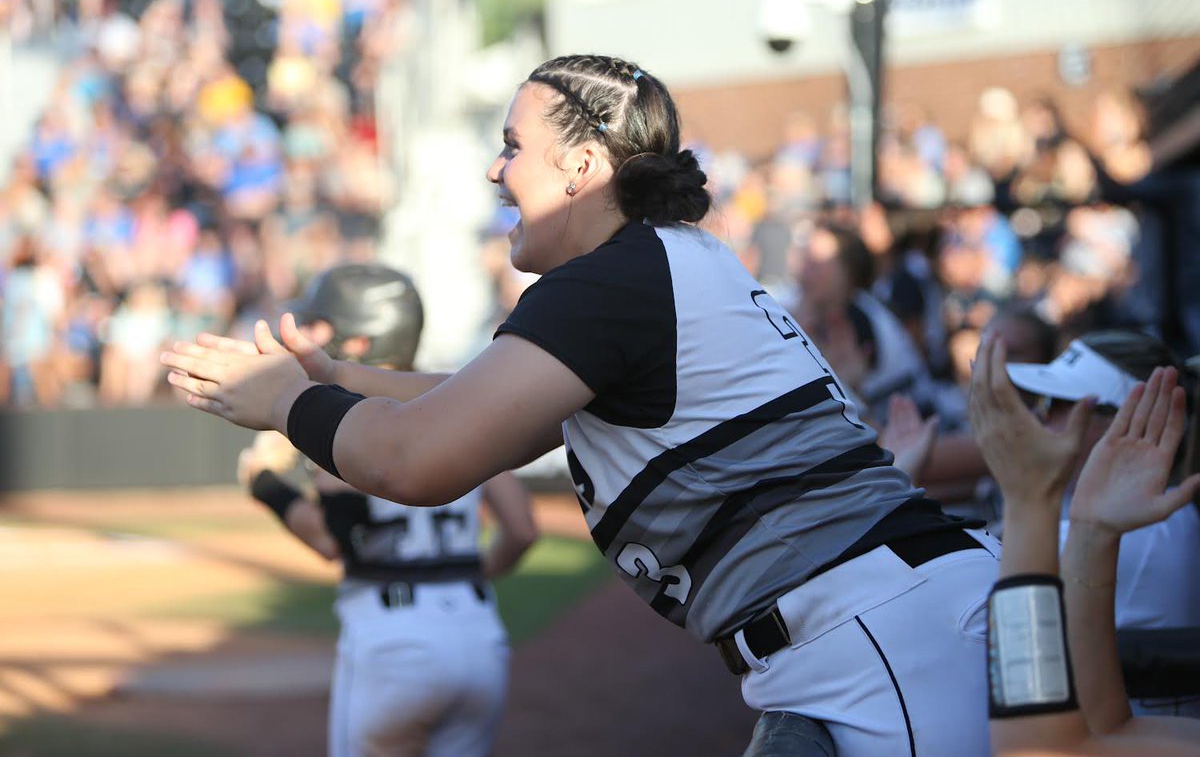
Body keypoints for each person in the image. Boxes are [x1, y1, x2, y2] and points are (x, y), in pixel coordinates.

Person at [163, 54, 1000, 756]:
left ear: (583, 164)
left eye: (511, 146)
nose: (496, 169)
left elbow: (415, 461)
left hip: (873, 635)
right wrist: (338, 379)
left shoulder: (609, 282)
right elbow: (476, 401)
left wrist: (284, 402)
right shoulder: (666, 260)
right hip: (882, 622)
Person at [236, 263, 537, 757]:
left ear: (360, 342)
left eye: (321, 326)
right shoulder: (457, 402)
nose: (310, 337)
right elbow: (521, 529)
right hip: (479, 635)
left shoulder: (347, 417)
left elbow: (333, 540)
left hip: (394, 639)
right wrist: (461, 576)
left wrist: (265, 485)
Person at [967, 332, 1200, 755]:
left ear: (1127, 422)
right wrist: (1090, 528)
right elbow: (1099, 731)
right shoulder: (1137, 518)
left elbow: (1039, 748)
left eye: (1057, 405)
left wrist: (1028, 499)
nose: (1037, 419)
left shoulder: (1146, 532)